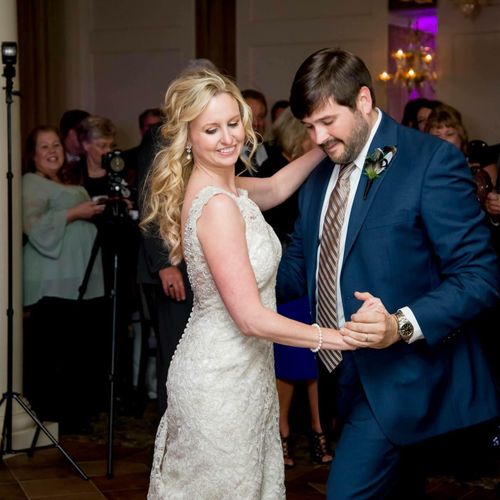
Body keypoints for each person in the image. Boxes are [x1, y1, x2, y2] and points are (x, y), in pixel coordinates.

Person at [277, 48, 500, 499]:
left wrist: (399, 325)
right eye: (308, 127)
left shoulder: (429, 161)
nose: (318, 138)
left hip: (406, 373)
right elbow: (301, 264)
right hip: (342, 371)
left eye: (327, 122)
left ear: (362, 100)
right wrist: (233, 284)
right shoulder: (321, 175)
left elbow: (480, 275)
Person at [143, 69, 361, 498]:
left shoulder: (222, 186)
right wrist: (335, 337)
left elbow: (277, 187)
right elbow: (249, 318)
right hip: (220, 381)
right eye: (210, 129)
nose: (227, 137)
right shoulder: (217, 205)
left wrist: (325, 141)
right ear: (188, 138)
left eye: (232, 123)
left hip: (242, 373)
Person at [22, 125, 106, 432]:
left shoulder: (68, 181)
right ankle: (53, 417)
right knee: (53, 353)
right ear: (32, 155)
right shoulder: (30, 183)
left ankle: (76, 414)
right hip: (53, 280)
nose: (52, 151)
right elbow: (32, 225)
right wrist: (75, 212)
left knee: (78, 351)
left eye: (55, 144)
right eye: (44, 147)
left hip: (81, 278)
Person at [264, 107, 333, 468]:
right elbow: (274, 195)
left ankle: (319, 432)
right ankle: (282, 433)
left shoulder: (324, 169)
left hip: (310, 279)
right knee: (289, 362)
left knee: (313, 362)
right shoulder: (270, 173)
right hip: (284, 279)